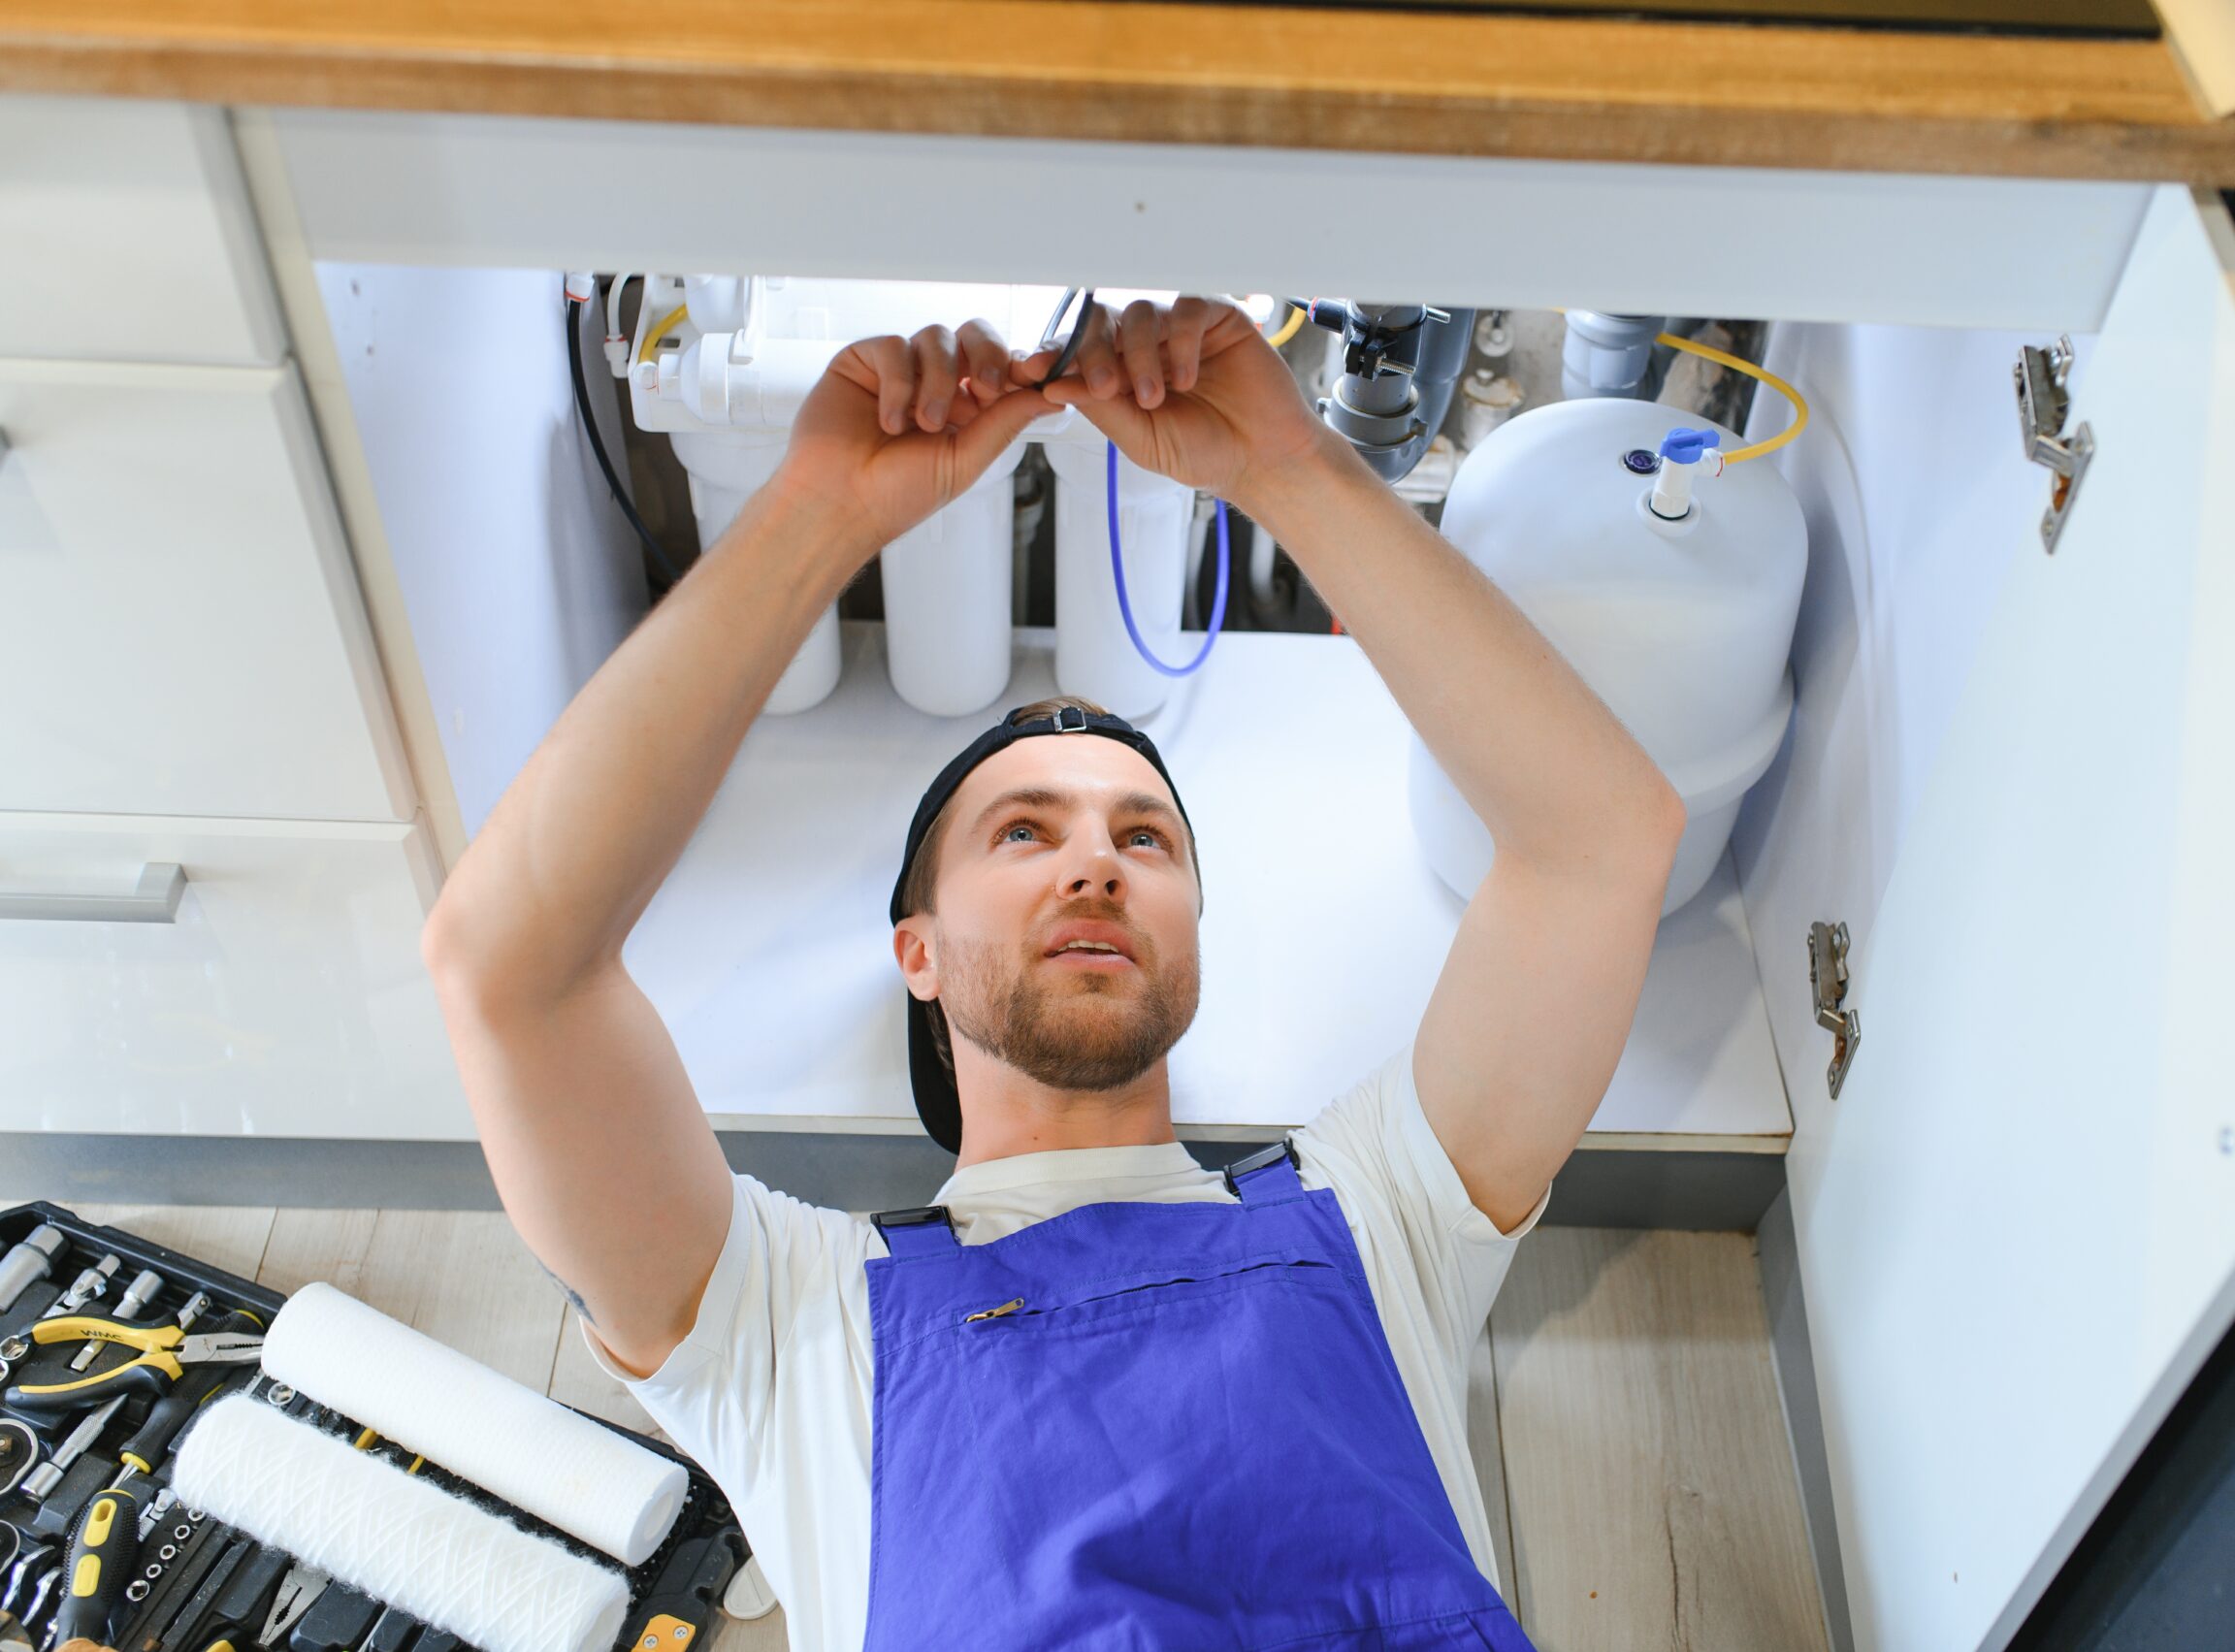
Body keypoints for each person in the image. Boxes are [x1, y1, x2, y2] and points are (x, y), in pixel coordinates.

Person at [420, 294, 1684, 1650]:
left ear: (1192, 935)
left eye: (1144, 839)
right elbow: (511, 965)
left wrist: (1287, 466)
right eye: (1024, 833)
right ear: (916, 951)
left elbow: (1602, 842)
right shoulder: (784, 1320)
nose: (1097, 866)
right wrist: (817, 508)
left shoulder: (1385, 1212)